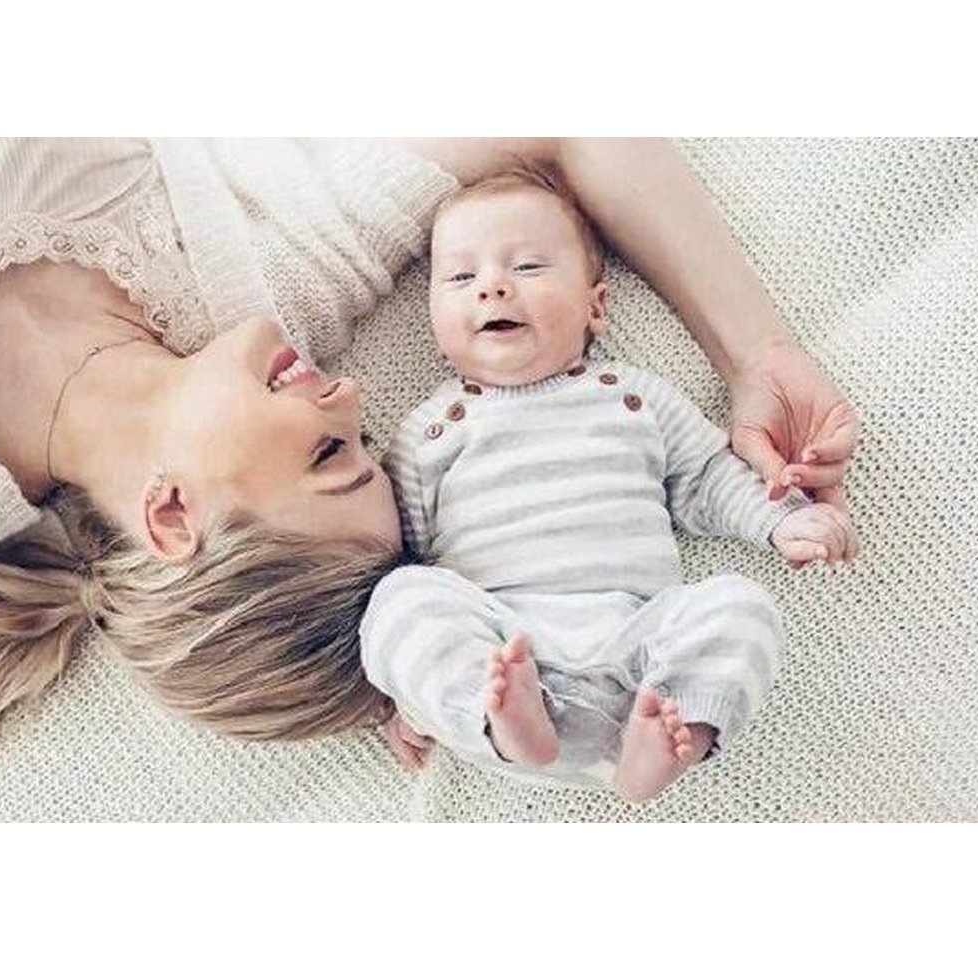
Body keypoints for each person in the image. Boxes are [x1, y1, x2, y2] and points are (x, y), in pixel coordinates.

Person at [0, 138, 858, 816]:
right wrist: (757, 356)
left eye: (329, 456)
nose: (352, 397)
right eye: (363, 449)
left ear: (171, 517)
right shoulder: (278, 282)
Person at [360, 164, 859, 801]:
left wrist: (780, 520)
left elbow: (706, 476)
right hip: (507, 648)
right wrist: (406, 690)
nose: (492, 287)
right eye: (461, 278)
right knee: (398, 597)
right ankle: (499, 720)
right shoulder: (428, 432)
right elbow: (403, 554)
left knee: (741, 607)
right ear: (433, 316)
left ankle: (671, 739)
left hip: (639, 653)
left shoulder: (633, 398)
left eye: (528, 267)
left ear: (595, 306)